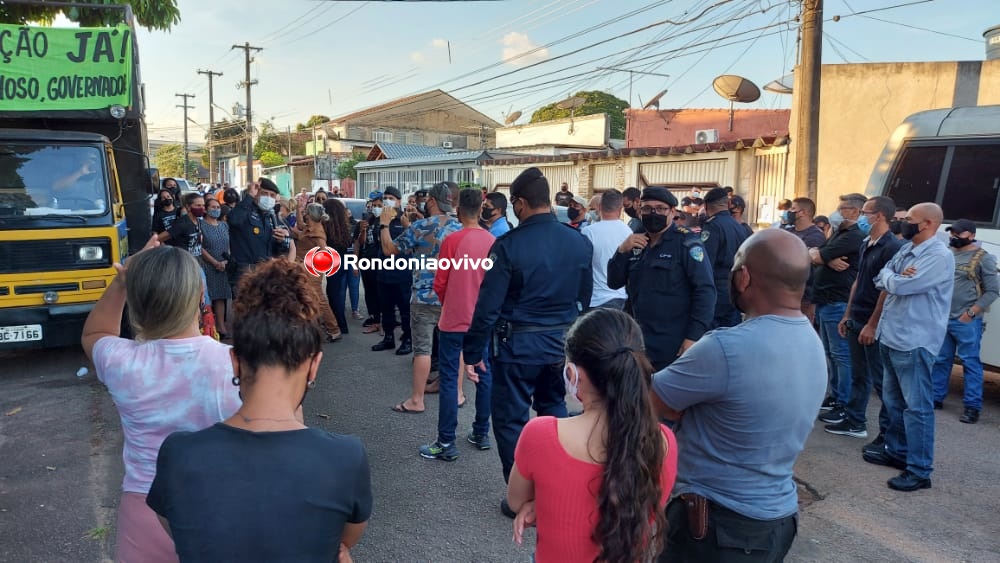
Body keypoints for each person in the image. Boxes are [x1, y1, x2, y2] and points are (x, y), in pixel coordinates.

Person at [146, 259, 372, 562]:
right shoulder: (346, 457)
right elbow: (343, 542)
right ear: (314, 365)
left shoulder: (178, 453)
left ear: (235, 361)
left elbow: (182, 531)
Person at [652, 229, 826, 562]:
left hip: (718, 527)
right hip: (777, 519)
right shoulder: (811, 341)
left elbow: (654, 400)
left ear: (744, 277)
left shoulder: (724, 348)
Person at [81, 239, 241, 562]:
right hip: (223, 510)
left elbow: (94, 334)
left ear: (135, 303)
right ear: (200, 295)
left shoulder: (120, 361)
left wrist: (122, 280)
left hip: (144, 510)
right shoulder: (236, 364)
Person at [462, 167, 593, 517]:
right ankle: (555, 489)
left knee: (510, 421)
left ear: (519, 203)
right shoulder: (578, 240)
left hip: (516, 348)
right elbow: (585, 299)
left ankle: (521, 494)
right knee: (555, 414)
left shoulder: (508, 246)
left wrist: (472, 352)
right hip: (561, 346)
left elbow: (488, 307)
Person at [507, 309, 677, 561]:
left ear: (573, 374)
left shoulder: (541, 435)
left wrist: (543, 504)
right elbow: (645, 509)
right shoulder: (662, 442)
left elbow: (515, 500)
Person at [864, 203, 954, 492]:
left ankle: (919, 470)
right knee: (894, 403)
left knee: (917, 408)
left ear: (927, 223)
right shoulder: (906, 249)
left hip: (914, 341)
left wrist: (897, 280)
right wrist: (897, 278)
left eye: (908, 220)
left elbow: (901, 286)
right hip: (892, 336)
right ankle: (898, 452)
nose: (902, 223)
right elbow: (882, 277)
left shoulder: (938, 255)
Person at [419, 189, 495, 460]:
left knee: (451, 378)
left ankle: (446, 442)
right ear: (482, 208)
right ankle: (481, 432)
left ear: (459, 209)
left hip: (454, 319)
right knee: (485, 375)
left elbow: (440, 281)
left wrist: (450, 301)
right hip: (482, 322)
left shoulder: (453, 241)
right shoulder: (492, 241)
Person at [608, 186, 716, 371]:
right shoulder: (635, 242)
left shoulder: (686, 243)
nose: (653, 213)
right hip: (638, 341)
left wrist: (693, 337)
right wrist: (621, 251)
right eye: (647, 209)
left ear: (672, 212)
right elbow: (614, 281)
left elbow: (705, 291)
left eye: (660, 209)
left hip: (673, 344)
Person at [379, 182, 461, 414]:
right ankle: (456, 392)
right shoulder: (460, 228)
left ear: (432, 201)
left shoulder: (421, 226)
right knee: (451, 348)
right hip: (451, 298)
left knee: (423, 349)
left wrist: (385, 224)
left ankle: (417, 400)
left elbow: (389, 250)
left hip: (424, 296)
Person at [828, 196, 903, 447]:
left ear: (879, 215)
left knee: (881, 381)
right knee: (860, 374)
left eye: (865, 212)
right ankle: (854, 420)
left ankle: (890, 435)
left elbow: (885, 290)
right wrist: (847, 314)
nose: (861, 217)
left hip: (874, 321)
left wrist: (872, 324)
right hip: (856, 316)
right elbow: (859, 280)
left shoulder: (891, 246)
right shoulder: (866, 242)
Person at [931, 219, 998, 424]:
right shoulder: (948, 255)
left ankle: (972, 407)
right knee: (942, 359)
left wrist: (971, 313)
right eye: (952, 233)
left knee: (970, 363)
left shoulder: (982, 258)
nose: (953, 237)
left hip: (966, 321)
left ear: (970, 235)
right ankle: (935, 397)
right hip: (944, 318)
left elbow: (993, 291)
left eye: (958, 234)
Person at [812, 194, 866, 424]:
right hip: (826, 300)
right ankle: (836, 395)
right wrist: (825, 259)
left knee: (841, 354)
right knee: (831, 353)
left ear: (855, 211)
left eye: (842, 208)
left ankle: (843, 401)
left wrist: (823, 257)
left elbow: (818, 254)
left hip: (838, 301)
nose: (837, 212)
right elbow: (813, 252)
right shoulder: (840, 233)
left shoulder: (854, 236)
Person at [226, 178, 294, 291]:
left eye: (272, 195)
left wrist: (281, 241)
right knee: (245, 307)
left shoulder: (270, 217)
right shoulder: (244, 211)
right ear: (256, 193)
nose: (268, 198)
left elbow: (275, 251)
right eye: (264, 193)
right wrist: (249, 196)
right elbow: (233, 220)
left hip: (265, 273)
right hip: (245, 273)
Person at [370, 186, 413, 354]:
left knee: (404, 309)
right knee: (386, 308)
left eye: (391, 197)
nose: (387, 200)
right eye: (385, 197)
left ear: (398, 200)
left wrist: (407, 226)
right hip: (383, 271)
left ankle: (408, 339)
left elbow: (411, 247)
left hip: (401, 273)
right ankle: (388, 337)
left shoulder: (403, 220)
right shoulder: (381, 220)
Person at [292, 203, 343, 342]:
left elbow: (325, 253)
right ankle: (318, 327)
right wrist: (298, 209)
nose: (305, 215)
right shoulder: (310, 227)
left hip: (310, 270)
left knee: (320, 300)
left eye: (307, 213)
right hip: (304, 268)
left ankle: (334, 329)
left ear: (311, 215)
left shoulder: (317, 233)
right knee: (308, 299)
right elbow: (300, 225)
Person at [700, 187, 750, 328]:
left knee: (712, 333)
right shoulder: (739, 227)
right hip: (734, 287)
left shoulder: (712, 226)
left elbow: (706, 262)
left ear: (706, 206)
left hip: (716, 288)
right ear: (728, 204)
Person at [581, 189, 631, 310]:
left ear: (599, 207)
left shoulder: (588, 232)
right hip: (620, 298)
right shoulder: (628, 232)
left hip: (595, 300)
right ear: (620, 209)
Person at [200, 197, 232, 339]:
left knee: (221, 296)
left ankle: (221, 326)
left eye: (218, 207)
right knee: (207, 298)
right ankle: (207, 327)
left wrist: (225, 261)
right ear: (206, 209)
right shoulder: (200, 225)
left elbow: (229, 244)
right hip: (207, 264)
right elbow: (200, 247)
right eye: (212, 207)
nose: (216, 210)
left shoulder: (224, 225)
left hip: (223, 265)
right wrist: (214, 262)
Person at [323, 198, 354, 335]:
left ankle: (339, 325)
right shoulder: (343, 227)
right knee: (337, 294)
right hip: (341, 262)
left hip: (334, 264)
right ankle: (341, 324)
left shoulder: (328, 227)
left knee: (333, 294)